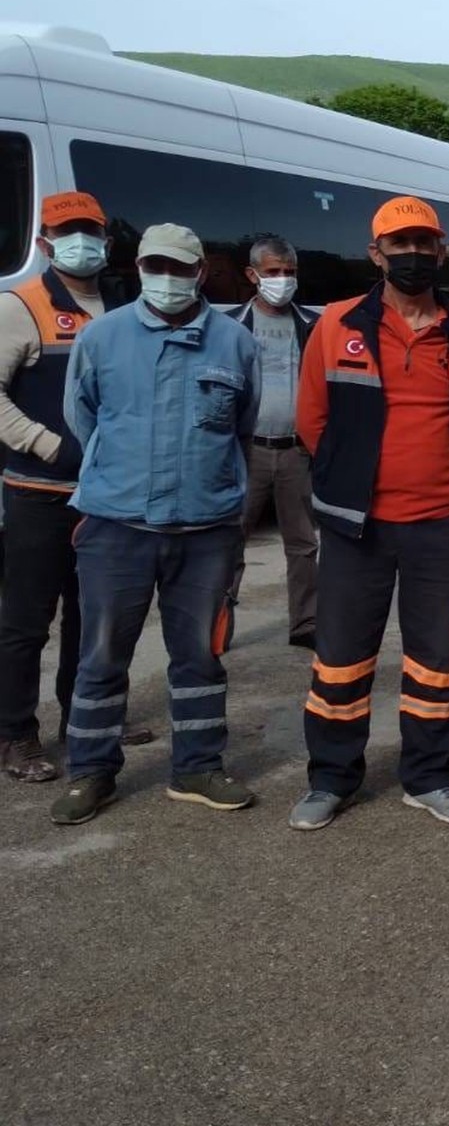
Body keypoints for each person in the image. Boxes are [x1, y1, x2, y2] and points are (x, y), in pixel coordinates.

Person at [290, 196, 449, 831]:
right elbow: (312, 421)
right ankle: (331, 779)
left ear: (441, 252)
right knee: (342, 657)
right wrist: (354, 484)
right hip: (358, 528)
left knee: (438, 661)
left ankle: (430, 776)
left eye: (424, 244)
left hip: (442, 525)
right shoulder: (337, 324)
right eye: (398, 245)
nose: (413, 255)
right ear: (375, 254)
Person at [51, 223, 261, 824]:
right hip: (117, 526)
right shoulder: (103, 338)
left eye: (179, 268)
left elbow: (241, 428)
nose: (166, 279)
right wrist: (126, 473)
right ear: (138, 268)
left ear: (200, 273)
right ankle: (91, 772)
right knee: (100, 654)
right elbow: (83, 417)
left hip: (206, 530)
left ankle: (196, 767)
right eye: (155, 266)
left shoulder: (236, 344)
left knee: (200, 654)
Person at [0, 192, 144, 782]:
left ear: (106, 242)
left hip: (106, 498)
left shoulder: (121, 305)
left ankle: (83, 720)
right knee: (26, 623)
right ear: (44, 243)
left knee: (93, 619)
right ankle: (16, 736)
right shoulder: (22, 306)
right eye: (66, 231)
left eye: (89, 231)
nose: (79, 241)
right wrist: (46, 443)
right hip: (40, 491)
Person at [225, 236, 320, 651]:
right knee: (229, 540)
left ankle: (307, 624)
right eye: (273, 272)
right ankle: (216, 624)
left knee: (302, 544)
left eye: (289, 272)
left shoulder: (312, 326)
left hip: (297, 451)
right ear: (252, 275)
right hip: (247, 452)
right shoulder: (230, 326)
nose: (282, 280)